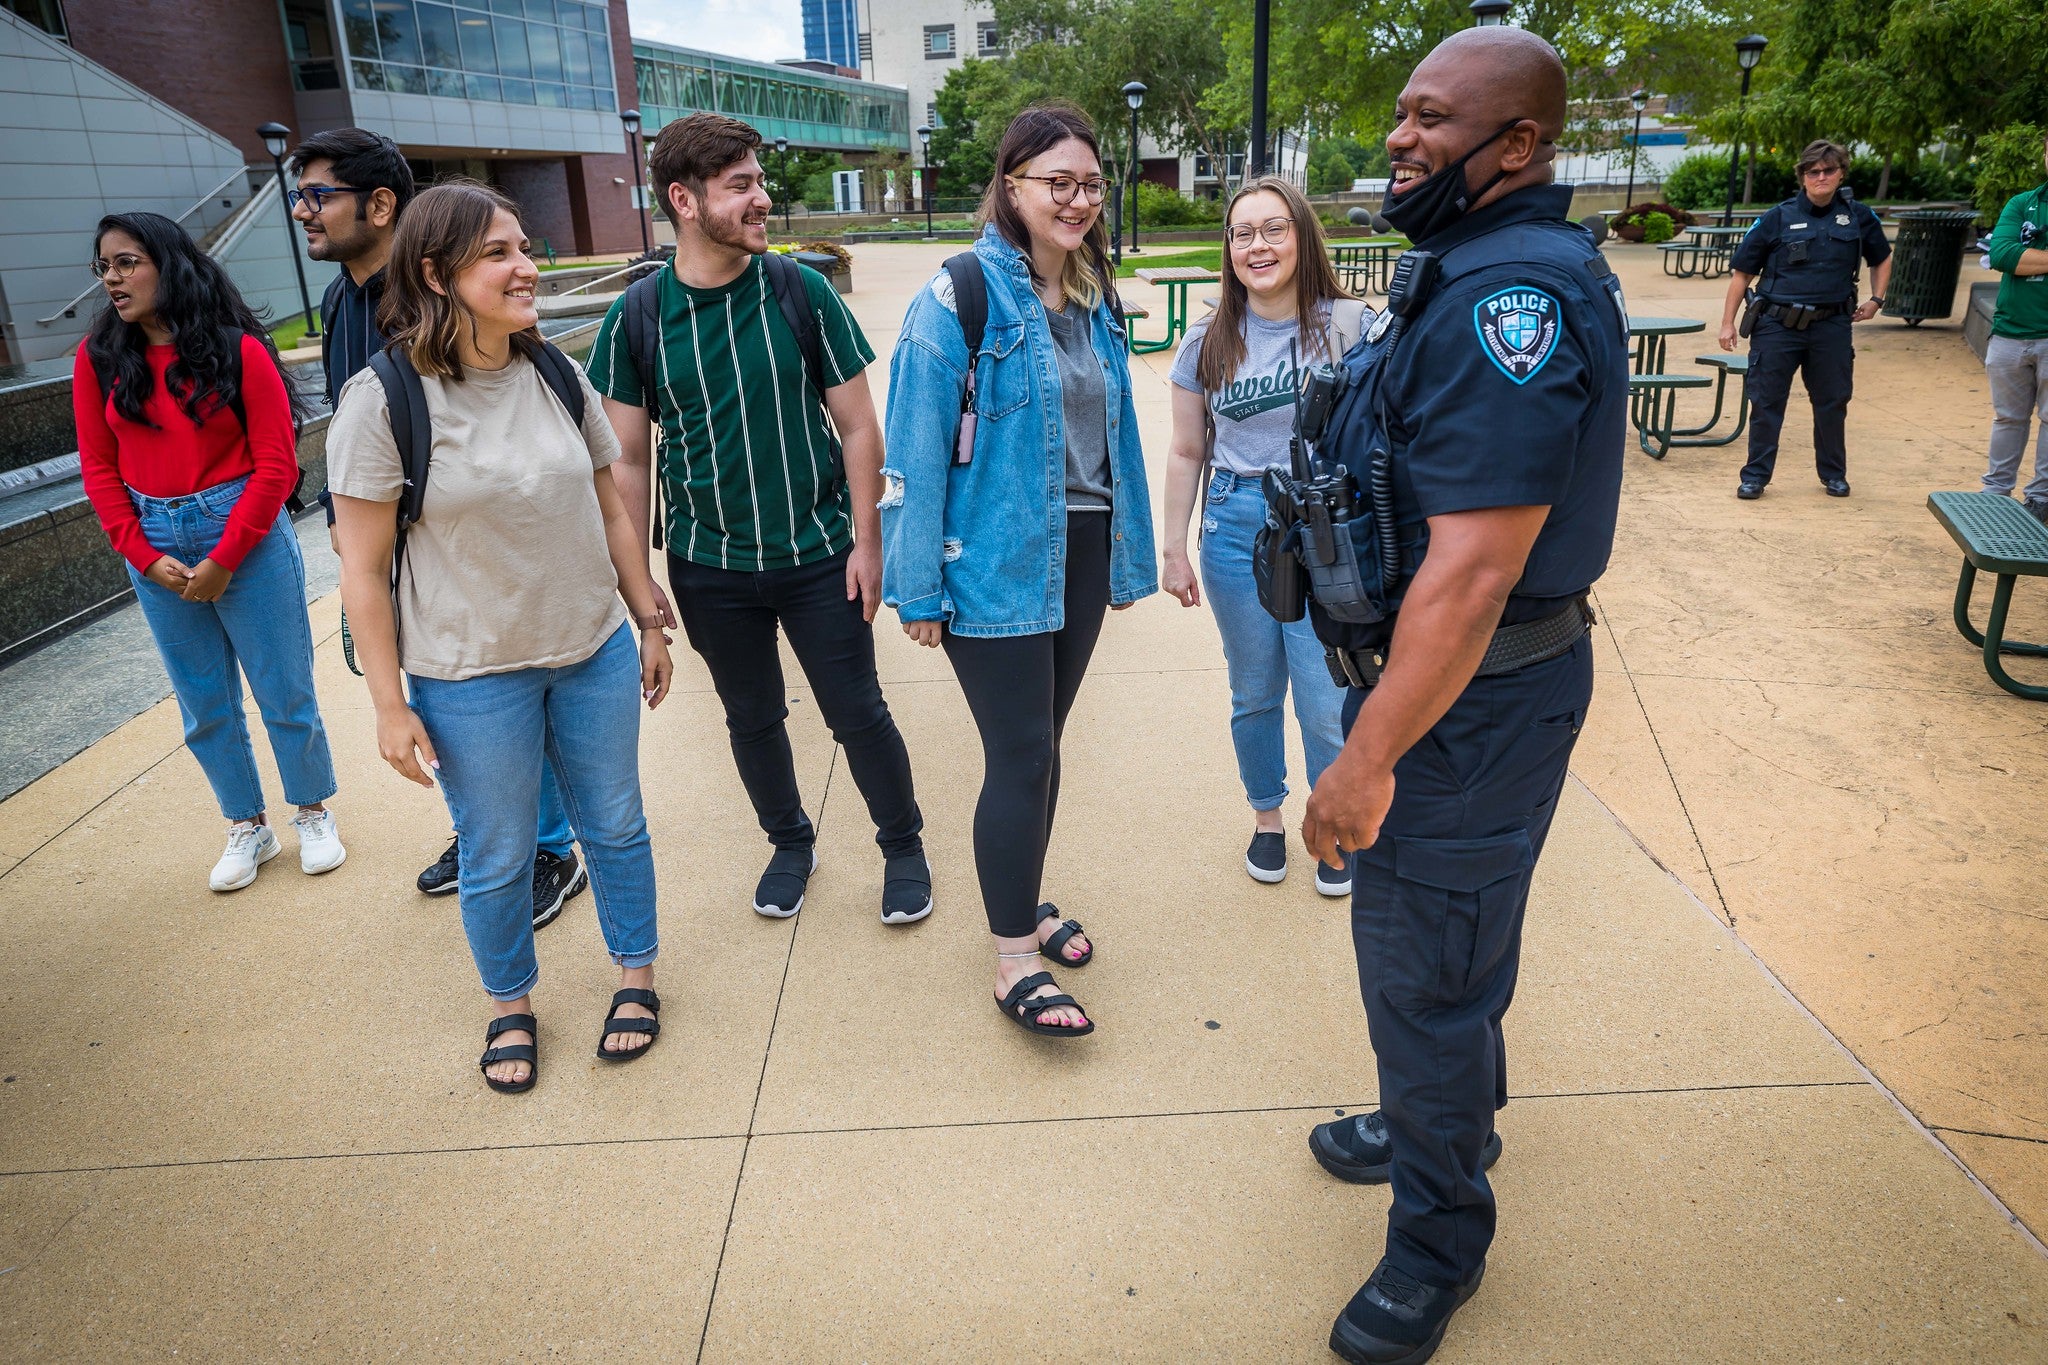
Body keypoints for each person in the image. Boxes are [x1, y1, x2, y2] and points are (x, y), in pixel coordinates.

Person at [1295, 30, 1627, 1361]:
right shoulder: (1466, 266)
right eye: (1401, 111)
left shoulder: (1516, 303)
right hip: (1450, 695)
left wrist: (1363, 759)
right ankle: (1439, 1112)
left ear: (1522, 147)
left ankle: (1439, 1239)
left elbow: (1475, 570)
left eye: (1433, 118)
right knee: (1448, 952)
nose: (1400, 137)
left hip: (1464, 705)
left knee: (1427, 976)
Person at [327, 182, 672, 1092]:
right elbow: (360, 569)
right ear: (437, 273)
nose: (527, 268)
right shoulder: (383, 399)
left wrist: (646, 619)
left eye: (525, 248)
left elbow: (609, 500)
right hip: (470, 673)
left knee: (616, 823)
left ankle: (636, 975)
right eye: (499, 254)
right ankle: (509, 1004)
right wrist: (389, 705)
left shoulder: (554, 371)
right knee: (497, 851)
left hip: (590, 647)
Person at [587, 112, 932, 925]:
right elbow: (626, 464)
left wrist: (868, 540)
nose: (762, 199)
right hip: (709, 568)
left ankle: (903, 844)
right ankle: (789, 842)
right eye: (740, 185)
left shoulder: (797, 289)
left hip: (819, 553)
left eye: (758, 182)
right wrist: (641, 600)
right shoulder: (637, 318)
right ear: (683, 199)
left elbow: (858, 427)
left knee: (858, 710)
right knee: (752, 718)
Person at [883, 101, 1158, 1036]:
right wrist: (915, 586)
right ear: (1011, 185)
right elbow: (913, 453)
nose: (1077, 200)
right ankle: (1012, 960)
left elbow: (1108, 434)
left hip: (1078, 546)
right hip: (994, 556)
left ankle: (1025, 898)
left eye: (1090, 184)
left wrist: (1124, 556)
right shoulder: (959, 293)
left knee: (1045, 743)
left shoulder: (1090, 293)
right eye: (1058, 182)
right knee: (1022, 752)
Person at [288, 126, 589, 925]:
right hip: (389, 521)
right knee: (437, 683)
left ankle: (549, 846)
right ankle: (486, 828)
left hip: (468, 526)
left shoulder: (436, 290)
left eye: (321, 195)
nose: (303, 211)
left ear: (382, 206)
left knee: (509, 675)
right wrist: (342, 518)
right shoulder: (337, 298)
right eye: (300, 194)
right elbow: (354, 425)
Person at [73, 211, 344, 892]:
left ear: (169, 264)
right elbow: (100, 470)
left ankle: (312, 811)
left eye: (127, 262)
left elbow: (277, 465)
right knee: (203, 701)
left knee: (284, 687)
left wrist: (224, 556)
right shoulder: (98, 359)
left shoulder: (238, 350)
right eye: (104, 266)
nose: (113, 277)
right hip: (153, 538)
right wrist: (140, 552)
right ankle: (247, 824)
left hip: (244, 531)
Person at [1162, 174, 1366, 897]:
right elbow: (1188, 450)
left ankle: (1332, 821)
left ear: (1302, 235)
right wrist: (1172, 547)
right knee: (1254, 689)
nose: (1259, 245)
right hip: (1235, 521)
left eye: (1274, 228)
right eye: (1243, 232)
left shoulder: (1350, 326)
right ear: (1228, 247)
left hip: (1324, 529)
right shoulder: (1206, 341)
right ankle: (1267, 818)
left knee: (1321, 691)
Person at [1718, 139, 1892, 500]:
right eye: (1813, 172)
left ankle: (1833, 474)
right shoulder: (1776, 217)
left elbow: (1882, 257)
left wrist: (1877, 299)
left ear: (1841, 172)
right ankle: (1755, 477)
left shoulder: (1858, 216)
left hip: (1831, 325)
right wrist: (1727, 322)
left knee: (1832, 402)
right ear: (1803, 177)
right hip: (1777, 325)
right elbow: (1742, 273)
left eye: (1829, 170)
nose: (1821, 177)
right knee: (1766, 403)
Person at [1981, 130, 2048, 522]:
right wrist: (2020, 257)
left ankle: (2041, 499)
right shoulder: (2023, 203)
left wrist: (2031, 257)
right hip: (2009, 332)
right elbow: (2004, 254)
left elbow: (2018, 257)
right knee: (2007, 417)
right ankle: (1995, 494)